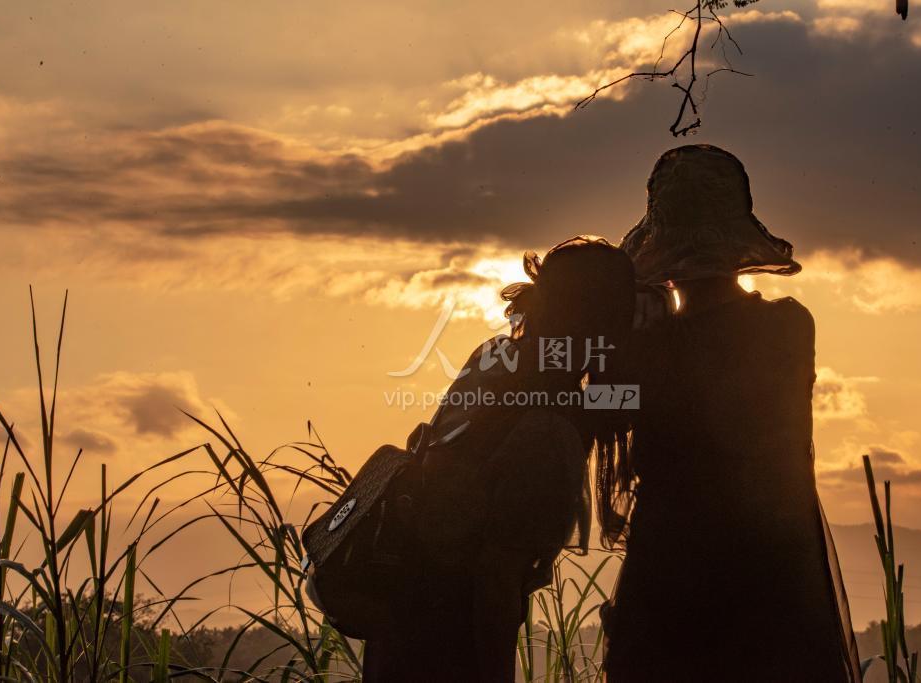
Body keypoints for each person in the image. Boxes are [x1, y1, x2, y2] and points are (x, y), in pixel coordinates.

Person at [598, 145, 862, 682]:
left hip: (674, 563)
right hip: (775, 561)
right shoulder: (789, 327)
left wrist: (625, 331)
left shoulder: (652, 351)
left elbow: (601, 407)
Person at [360, 236, 636, 682]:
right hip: (449, 646)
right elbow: (496, 579)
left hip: (401, 628)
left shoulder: (499, 362)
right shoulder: (549, 426)